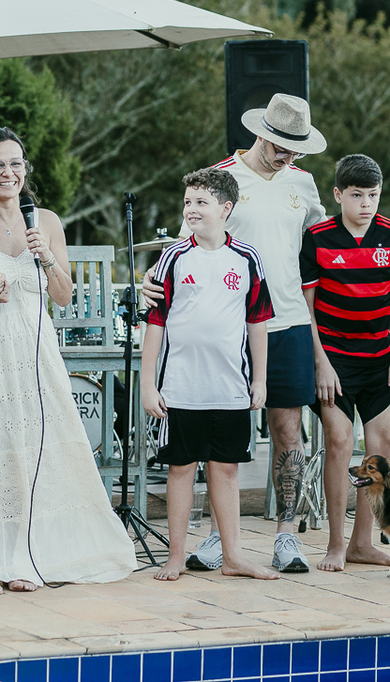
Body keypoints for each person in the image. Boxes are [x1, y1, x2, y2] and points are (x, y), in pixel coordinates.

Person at [0, 127, 136, 594]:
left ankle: (32, 555)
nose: (9, 173)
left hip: (36, 349)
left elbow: (63, 297)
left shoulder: (45, 221)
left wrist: (46, 257)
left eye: (16, 163)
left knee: (41, 448)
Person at [143, 93, 327, 573]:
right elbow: (186, 244)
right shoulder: (220, 177)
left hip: (287, 321)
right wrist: (150, 281)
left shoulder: (303, 183)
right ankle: (216, 539)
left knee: (288, 430)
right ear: (262, 134)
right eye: (282, 146)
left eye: (296, 148)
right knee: (213, 446)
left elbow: (319, 241)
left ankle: (286, 536)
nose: (288, 156)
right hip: (228, 329)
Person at [141, 168, 279, 582]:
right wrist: (148, 385)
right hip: (181, 389)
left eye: (201, 202)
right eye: (187, 202)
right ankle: (175, 556)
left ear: (225, 208)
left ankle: (233, 556)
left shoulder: (247, 258)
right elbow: (155, 324)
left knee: (226, 470)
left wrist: (260, 379)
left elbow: (257, 322)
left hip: (230, 387)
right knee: (180, 469)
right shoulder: (173, 257)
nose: (192, 209)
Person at [300, 154, 390, 571]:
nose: (366, 204)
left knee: (381, 447)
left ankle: (362, 543)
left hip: (379, 360)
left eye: (373, 195)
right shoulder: (318, 237)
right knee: (339, 442)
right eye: (357, 195)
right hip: (334, 361)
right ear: (338, 195)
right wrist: (320, 361)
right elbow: (306, 305)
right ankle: (336, 544)